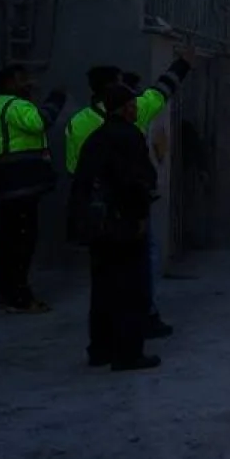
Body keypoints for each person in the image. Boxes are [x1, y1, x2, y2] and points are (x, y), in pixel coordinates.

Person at [65, 47, 195, 338]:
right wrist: (184, 63)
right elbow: (163, 90)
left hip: (97, 213)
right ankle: (141, 320)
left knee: (101, 278)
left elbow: (76, 170)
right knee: (137, 268)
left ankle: (101, 337)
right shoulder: (132, 119)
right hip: (127, 211)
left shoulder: (78, 123)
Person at [74, 84, 161, 372]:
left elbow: (82, 185)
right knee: (130, 290)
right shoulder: (129, 137)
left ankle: (100, 348)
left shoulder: (95, 139)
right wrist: (139, 216)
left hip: (98, 227)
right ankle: (127, 353)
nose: (136, 110)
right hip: (123, 223)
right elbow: (135, 181)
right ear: (124, 108)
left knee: (103, 289)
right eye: (133, 106)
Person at [0, 65, 66, 313]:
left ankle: (4, 293)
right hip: (20, 186)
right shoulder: (15, 106)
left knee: (9, 241)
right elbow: (41, 122)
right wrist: (56, 98)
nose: (29, 84)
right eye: (23, 80)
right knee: (21, 242)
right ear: (9, 83)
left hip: (8, 186)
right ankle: (18, 296)